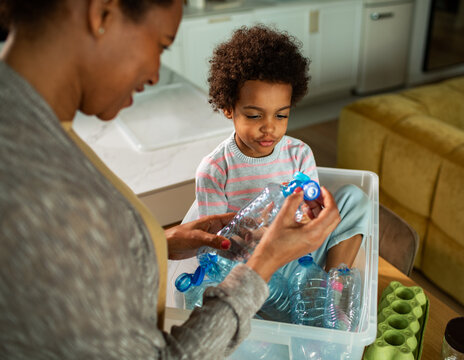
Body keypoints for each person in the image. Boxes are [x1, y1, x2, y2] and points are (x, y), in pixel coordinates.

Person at [0, 1, 340, 358]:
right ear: (101, 13)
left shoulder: (31, 125)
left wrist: (159, 242)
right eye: (161, 44)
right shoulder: (37, 182)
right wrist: (263, 265)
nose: (154, 74)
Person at [195, 25, 371, 276]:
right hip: (253, 267)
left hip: (300, 255)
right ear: (228, 108)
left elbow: (312, 217)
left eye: (281, 115)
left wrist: (308, 220)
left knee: (355, 199)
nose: (269, 128)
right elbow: (212, 245)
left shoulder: (299, 154)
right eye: (255, 115)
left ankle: (333, 284)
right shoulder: (215, 170)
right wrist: (252, 238)